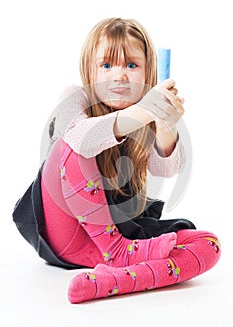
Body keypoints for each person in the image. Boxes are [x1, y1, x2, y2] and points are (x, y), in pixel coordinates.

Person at [13, 18, 221, 303]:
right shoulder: (75, 98)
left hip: (116, 235)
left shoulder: (143, 114)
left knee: (208, 244)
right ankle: (119, 254)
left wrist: (166, 124)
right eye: (107, 65)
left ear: (149, 72)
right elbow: (83, 140)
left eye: (132, 65)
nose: (120, 75)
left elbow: (167, 167)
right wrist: (145, 111)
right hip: (69, 235)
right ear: (90, 69)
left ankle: (115, 280)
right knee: (71, 144)